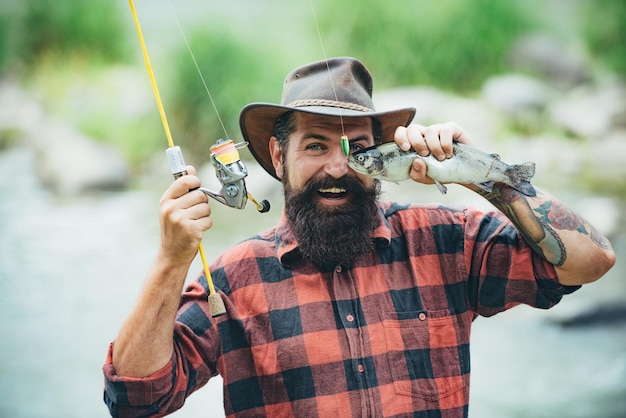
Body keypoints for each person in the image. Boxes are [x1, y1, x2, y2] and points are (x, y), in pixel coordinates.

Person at [102, 57, 615, 418]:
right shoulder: (233, 281)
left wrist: (480, 173)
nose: (337, 166)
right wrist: (171, 259)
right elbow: (134, 399)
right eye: (316, 145)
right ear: (279, 159)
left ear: (382, 157)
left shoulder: (447, 243)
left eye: (358, 147)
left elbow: (591, 261)